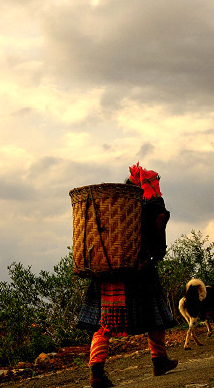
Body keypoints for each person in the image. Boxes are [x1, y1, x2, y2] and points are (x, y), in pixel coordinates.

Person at [77, 164, 178, 387]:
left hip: (107, 271)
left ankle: (97, 371)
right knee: (155, 316)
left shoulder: (113, 209)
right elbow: (158, 246)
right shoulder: (152, 208)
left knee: (104, 324)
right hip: (139, 272)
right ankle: (159, 360)